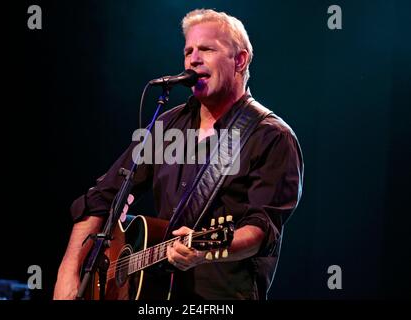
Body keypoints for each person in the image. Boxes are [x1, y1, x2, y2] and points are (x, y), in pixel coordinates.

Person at [54, 8, 304, 300]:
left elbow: (261, 230)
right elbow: (101, 197)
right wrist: (67, 273)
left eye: (207, 49)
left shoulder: (271, 137)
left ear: (240, 60)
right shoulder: (166, 124)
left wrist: (203, 251)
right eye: (188, 51)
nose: (193, 59)